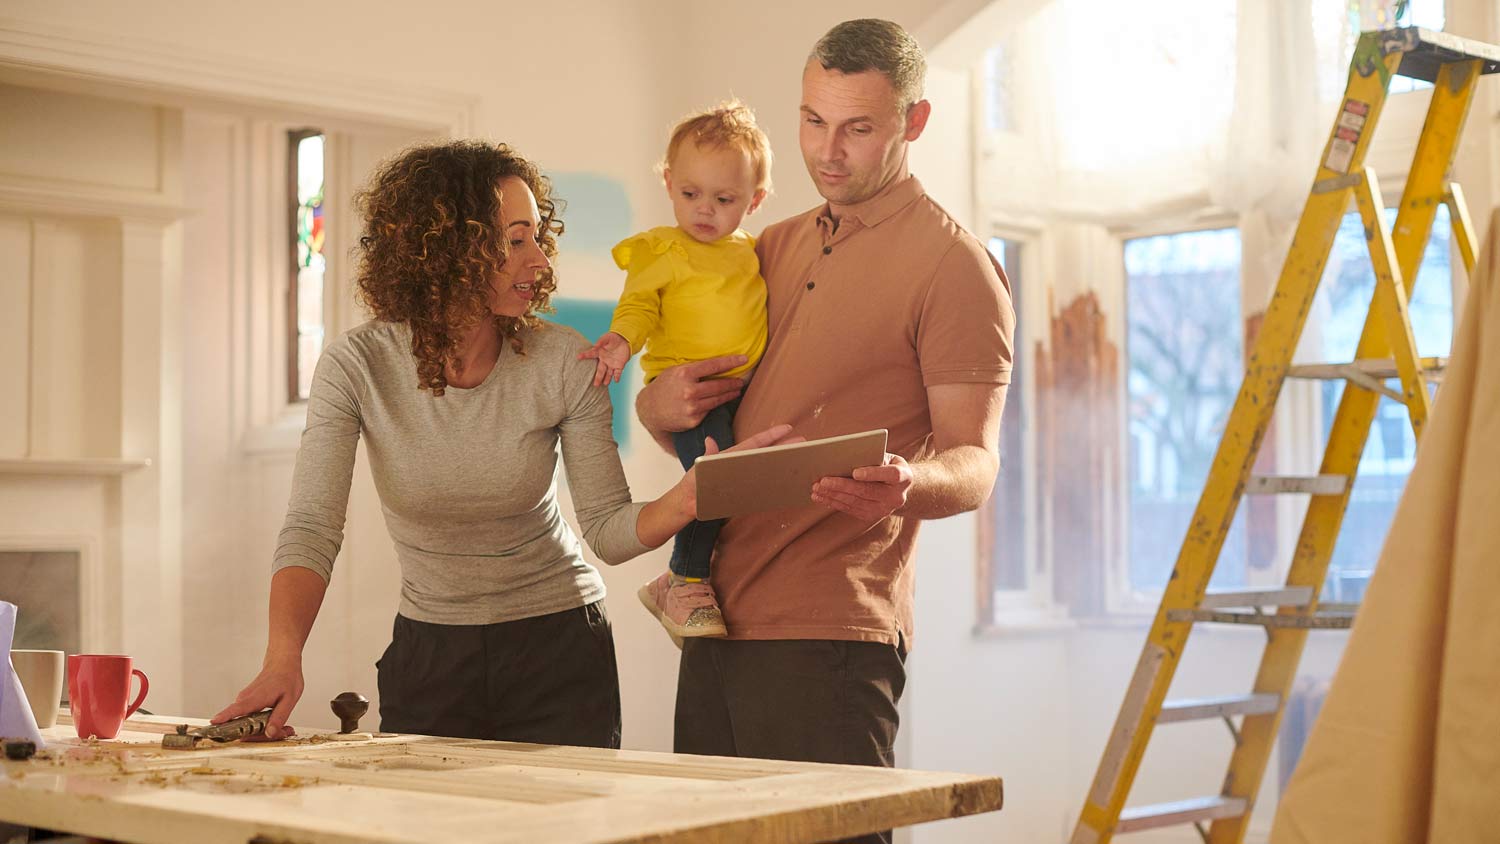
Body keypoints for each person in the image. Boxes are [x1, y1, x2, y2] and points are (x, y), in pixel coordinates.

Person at [211, 141, 793, 747]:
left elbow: (608, 531)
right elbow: (311, 527)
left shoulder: (567, 359)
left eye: (538, 237)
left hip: (560, 648)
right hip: (430, 653)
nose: (540, 261)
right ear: (445, 251)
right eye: (516, 241)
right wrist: (284, 658)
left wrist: (692, 496)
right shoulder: (356, 367)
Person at [635, 19, 1015, 843]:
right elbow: (704, 425)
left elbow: (977, 459)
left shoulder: (956, 268)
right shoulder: (765, 245)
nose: (827, 151)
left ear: (913, 122)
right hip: (709, 620)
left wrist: (911, 485)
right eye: (812, 121)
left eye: (858, 128)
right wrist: (656, 407)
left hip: (830, 637)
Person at [579, 100, 772, 643]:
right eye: (690, 194)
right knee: (717, 484)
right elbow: (640, 305)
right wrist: (621, 341)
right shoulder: (662, 248)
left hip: (743, 394)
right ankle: (684, 580)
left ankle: (671, 580)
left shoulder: (753, 252)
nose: (704, 210)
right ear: (668, 183)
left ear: (754, 200)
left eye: (724, 198)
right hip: (690, 395)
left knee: (738, 490)